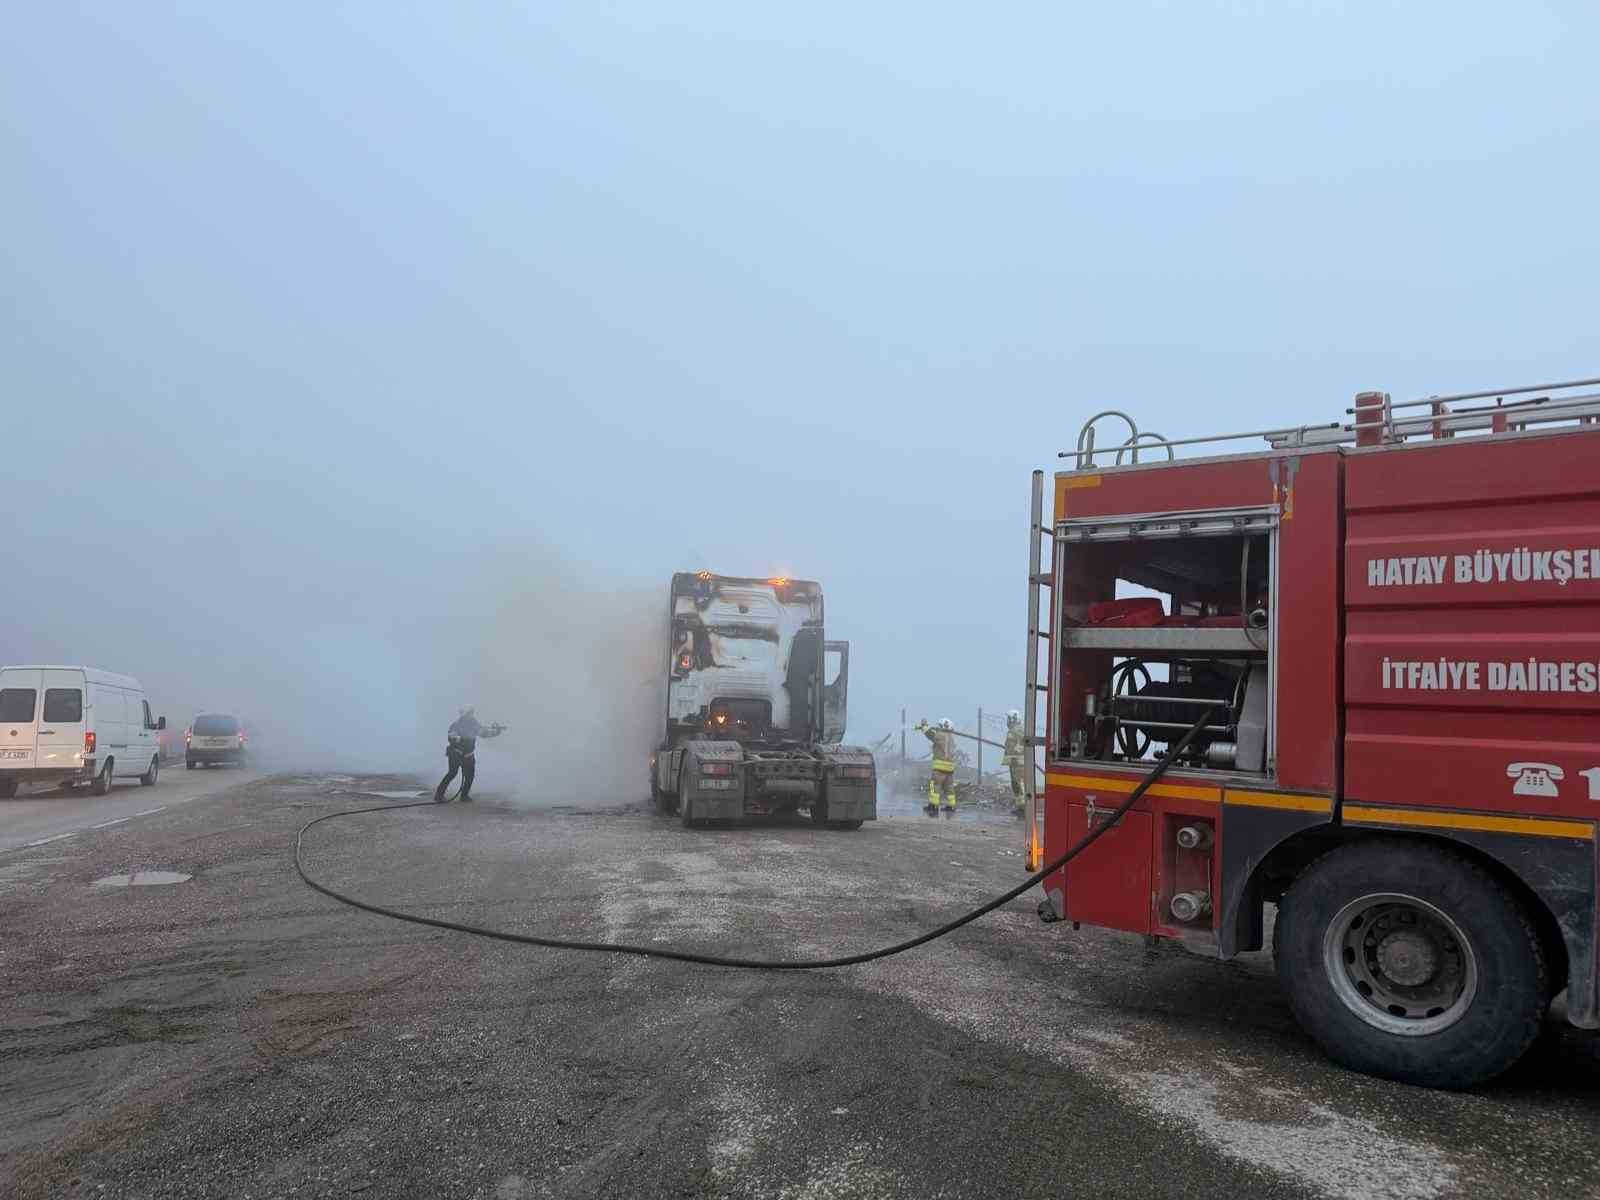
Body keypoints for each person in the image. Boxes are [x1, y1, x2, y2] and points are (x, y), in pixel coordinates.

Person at [433, 707, 505, 803]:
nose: (471, 715)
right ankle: (439, 795)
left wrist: (496, 731)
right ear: (464, 714)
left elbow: (484, 733)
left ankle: (464, 796)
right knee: (452, 773)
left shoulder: (474, 724)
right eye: (469, 713)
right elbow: (451, 737)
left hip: (468, 755)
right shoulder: (456, 725)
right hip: (456, 754)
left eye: (472, 713)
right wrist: (458, 738)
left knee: (470, 776)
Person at [917, 718, 958, 816]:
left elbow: (929, 734)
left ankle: (933, 806)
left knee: (935, 785)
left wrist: (924, 725)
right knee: (949, 787)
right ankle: (951, 806)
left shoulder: (940, 735)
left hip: (939, 767)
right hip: (950, 767)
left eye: (939, 726)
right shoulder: (951, 738)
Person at [1002, 710, 1028, 816]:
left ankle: (1024, 808)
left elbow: (1024, 743)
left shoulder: (1019, 729)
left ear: (1013, 718)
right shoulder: (1012, 730)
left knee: (1019, 783)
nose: (1007, 720)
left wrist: (1017, 751)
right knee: (1015, 784)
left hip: (1018, 762)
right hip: (1013, 762)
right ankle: (1020, 806)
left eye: (1009, 718)